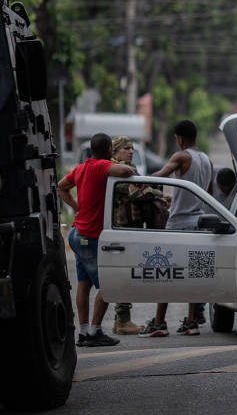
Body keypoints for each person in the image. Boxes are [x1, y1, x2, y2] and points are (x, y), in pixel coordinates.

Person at [58, 133, 134, 347]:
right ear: (109, 149)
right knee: (109, 285)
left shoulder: (81, 168)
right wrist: (125, 167)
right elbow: (126, 171)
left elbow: (61, 186)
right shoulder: (102, 166)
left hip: (76, 234)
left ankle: (83, 332)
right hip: (89, 236)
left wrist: (77, 207)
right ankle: (94, 331)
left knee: (84, 284)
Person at [139, 120, 213, 337]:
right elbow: (207, 194)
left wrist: (139, 180)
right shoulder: (206, 160)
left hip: (179, 224)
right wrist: (179, 199)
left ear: (180, 138)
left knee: (166, 274)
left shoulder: (181, 156)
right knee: (195, 275)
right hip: (199, 223)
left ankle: (159, 323)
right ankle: (191, 322)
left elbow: (162, 174)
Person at [109, 135, 160, 335]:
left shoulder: (128, 168)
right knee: (124, 274)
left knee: (127, 273)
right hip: (121, 228)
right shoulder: (116, 170)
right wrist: (159, 196)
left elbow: (143, 188)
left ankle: (119, 321)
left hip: (130, 228)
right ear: (115, 152)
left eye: (132, 148)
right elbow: (136, 192)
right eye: (126, 148)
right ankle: (123, 320)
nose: (131, 151)